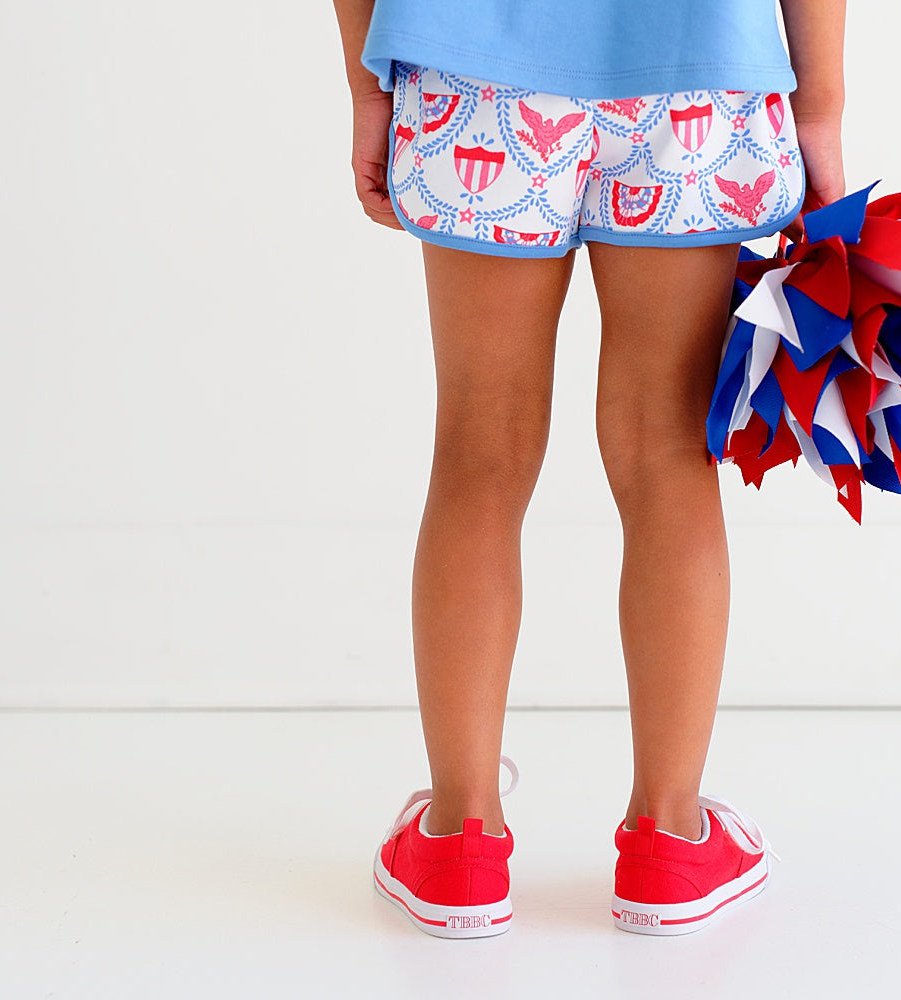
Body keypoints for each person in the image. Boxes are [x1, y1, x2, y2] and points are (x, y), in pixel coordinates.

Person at [331, 0, 846, 938]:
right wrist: (819, 108)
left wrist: (369, 86)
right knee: (668, 453)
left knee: (478, 452)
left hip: (475, 76)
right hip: (698, 75)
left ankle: (457, 843)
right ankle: (670, 842)